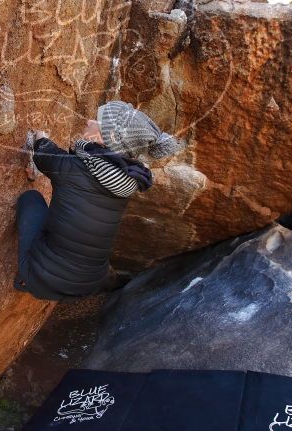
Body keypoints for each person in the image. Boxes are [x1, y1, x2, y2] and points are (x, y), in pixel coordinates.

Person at [14, 100, 184, 301]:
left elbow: (44, 154)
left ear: (106, 139)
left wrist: (40, 137)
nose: (89, 121)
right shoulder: (125, 182)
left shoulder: (75, 168)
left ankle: (26, 276)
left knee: (31, 198)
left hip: (44, 280)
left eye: (98, 122)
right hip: (91, 284)